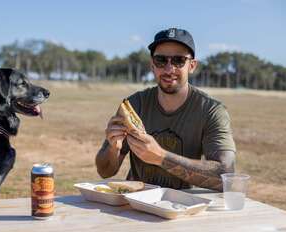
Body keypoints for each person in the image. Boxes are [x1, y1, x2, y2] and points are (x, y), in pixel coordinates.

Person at [95, 28, 236, 191]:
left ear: (192, 66)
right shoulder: (134, 105)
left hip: (183, 206)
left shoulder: (211, 111)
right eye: (161, 60)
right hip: (136, 203)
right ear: (152, 65)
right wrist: (114, 148)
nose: (169, 69)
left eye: (178, 60)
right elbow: (104, 171)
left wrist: (161, 157)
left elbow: (226, 175)